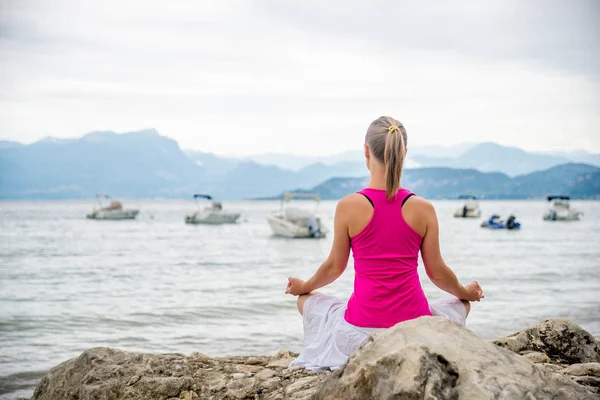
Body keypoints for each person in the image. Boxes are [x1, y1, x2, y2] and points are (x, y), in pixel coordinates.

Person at [285, 116, 484, 371]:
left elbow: (334, 267)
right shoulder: (423, 208)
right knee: (460, 306)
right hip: (414, 330)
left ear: (366, 152)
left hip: (358, 334)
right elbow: (438, 274)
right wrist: (466, 293)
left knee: (307, 302)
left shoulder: (348, 206)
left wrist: (305, 286)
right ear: (404, 153)